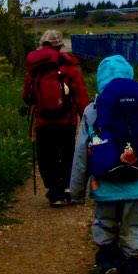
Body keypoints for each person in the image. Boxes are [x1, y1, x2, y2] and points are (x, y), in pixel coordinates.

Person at [69, 54, 138, 274]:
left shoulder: (93, 110)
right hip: (136, 181)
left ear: (101, 80)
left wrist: (76, 192)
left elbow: (81, 154)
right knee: (134, 226)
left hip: (103, 182)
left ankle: (109, 265)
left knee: (105, 224)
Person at [23, 29, 90, 206]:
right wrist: (87, 118)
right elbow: (80, 95)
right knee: (68, 153)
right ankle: (67, 186)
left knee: (46, 156)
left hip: (43, 121)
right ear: (60, 46)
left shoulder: (35, 69)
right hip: (66, 121)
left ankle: (55, 192)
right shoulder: (70, 66)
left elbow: (27, 96)